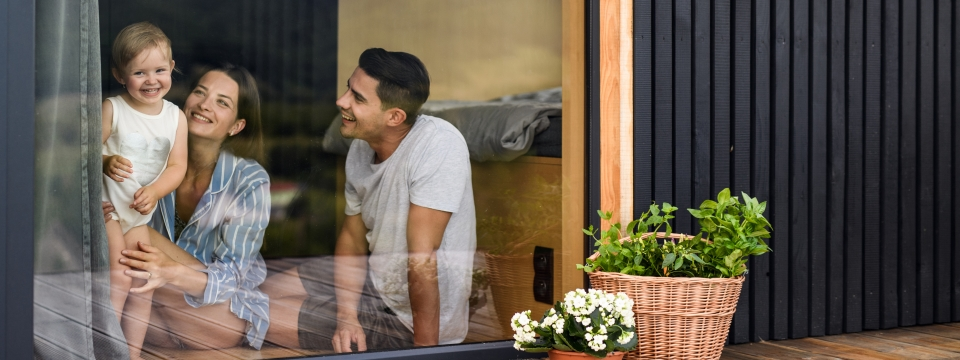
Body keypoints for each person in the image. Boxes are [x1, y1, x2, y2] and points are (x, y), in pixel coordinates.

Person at [263, 48, 476, 353]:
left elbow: (422, 261)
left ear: (394, 117)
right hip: (374, 281)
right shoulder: (361, 148)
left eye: (357, 98)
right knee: (262, 294)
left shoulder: (439, 145)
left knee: (248, 317)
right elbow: (352, 238)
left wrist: (426, 353)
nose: (341, 101)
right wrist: (347, 316)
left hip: (406, 321)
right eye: (348, 87)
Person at [108, 63, 272, 351]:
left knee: (131, 229)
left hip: (215, 317)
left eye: (222, 102)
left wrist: (167, 270)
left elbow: (231, 278)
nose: (205, 105)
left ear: (237, 126)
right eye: (200, 92)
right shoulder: (150, 155)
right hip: (152, 311)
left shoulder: (249, 179)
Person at [100, 21, 188, 359]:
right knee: (119, 279)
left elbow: (177, 166)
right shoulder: (114, 108)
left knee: (143, 281)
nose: (151, 80)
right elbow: (86, 152)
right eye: (139, 73)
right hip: (107, 209)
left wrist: (155, 191)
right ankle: (104, 349)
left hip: (137, 215)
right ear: (120, 75)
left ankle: (132, 354)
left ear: (172, 68)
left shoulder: (174, 117)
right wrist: (105, 161)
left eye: (160, 70)